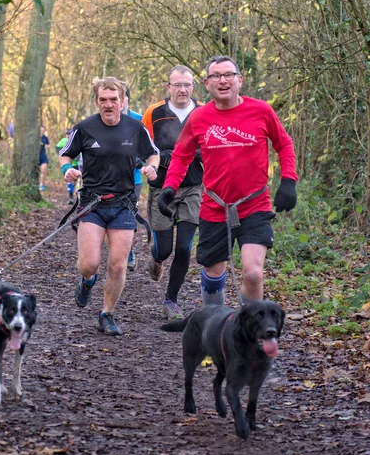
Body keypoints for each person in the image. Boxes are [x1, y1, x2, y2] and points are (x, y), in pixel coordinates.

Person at [159, 55, 298, 306]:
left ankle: (249, 333)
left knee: (253, 273)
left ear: (239, 80)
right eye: (216, 76)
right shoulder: (199, 118)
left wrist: (288, 180)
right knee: (214, 273)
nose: (223, 81)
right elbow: (181, 156)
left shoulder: (261, 110)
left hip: (254, 204)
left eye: (228, 75)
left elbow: (284, 144)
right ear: (207, 83)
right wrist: (170, 186)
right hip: (215, 206)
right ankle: (215, 328)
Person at [59, 76, 160, 336]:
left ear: (123, 101)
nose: (108, 104)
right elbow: (66, 154)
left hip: (123, 204)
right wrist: (67, 169)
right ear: (96, 101)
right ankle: (87, 280)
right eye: (103, 100)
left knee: (117, 265)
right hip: (92, 203)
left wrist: (152, 167)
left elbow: (153, 152)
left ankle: (107, 313)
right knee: (89, 264)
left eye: (114, 99)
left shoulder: (135, 128)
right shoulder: (85, 128)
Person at [142, 65, 205, 321]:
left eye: (187, 84)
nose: (182, 89)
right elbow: (140, 147)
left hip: (192, 187)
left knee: (184, 248)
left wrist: (199, 155)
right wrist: (155, 161)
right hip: (161, 188)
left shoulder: (204, 112)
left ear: (193, 86)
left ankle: (171, 301)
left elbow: (214, 145)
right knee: (165, 249)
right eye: (177, 85)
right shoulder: (154, 112)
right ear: (168, 87)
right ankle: (156, 259)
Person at [122, 84, 143, 272]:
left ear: (128, 99)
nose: (119, 101)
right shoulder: (100, 121)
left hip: (133, 180)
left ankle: (128, 251)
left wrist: (141, 160)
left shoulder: (139, 120)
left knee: (128, 212)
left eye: (123, 97)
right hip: (106, 181)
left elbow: (151, 147)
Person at [56, 128, 79, 204]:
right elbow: (57, 147)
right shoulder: (63, 141)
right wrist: (62, 154)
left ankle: (75, 195)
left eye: (70, 134)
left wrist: (77, 156)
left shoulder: (77, 140)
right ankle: (71, 197)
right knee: (71, 181)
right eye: (67, 134)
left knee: (75, 181)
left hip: (76, 164)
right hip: (69, 165)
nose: (68, 136)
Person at [39, 125, 49, 191]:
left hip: (43, 154)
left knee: (44, 170)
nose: (42, 131)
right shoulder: (35, 137)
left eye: (43, 130)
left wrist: (46, 146)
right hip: (36, 155)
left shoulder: (45, 138)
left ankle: (41, 184)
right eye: (41, 130)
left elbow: (48, 145)